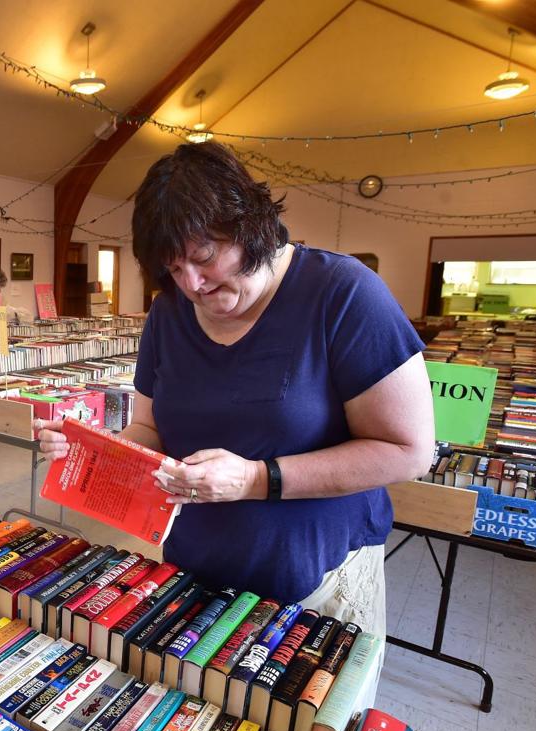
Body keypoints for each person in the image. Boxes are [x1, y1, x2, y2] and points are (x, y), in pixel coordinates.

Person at [34, 142, 434, 639]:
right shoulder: (169, 313)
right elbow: (150, 428)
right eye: (174, 270)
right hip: (192, 573)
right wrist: (94, 450)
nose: (193, 284)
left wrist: (254, 479)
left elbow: (409, 451)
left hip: (317, 589)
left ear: (252, 228)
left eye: (204, 258)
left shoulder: (345, 294)